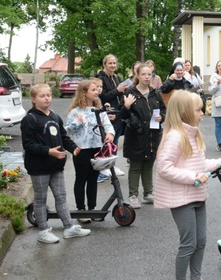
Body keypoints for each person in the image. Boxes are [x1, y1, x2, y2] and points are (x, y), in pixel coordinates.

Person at [154, 90, 221, 280]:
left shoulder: (194, 134)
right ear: (184, 112)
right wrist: (193, 178)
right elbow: (164, 168)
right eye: (198, 109)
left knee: (200, 241)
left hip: (197, 195)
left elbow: (199, 166)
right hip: (182, 198)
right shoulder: (174, 137)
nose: (202, 113)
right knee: (188, 243)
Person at [21, 84, 91, 243]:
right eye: (42, 96)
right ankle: (43, 231)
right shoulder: (30, 119)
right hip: (39, 167)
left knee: (61, 197)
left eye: (49, 95)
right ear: (33, 99)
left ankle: (69, 228)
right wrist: (48, 151)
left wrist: (73, 148)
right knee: (40, 199)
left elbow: (63, 137)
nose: (47, 98)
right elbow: (28, 145)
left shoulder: (54, 117)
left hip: (56, 166)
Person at [65, 80, 115, 217]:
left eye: (97, 89)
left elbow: (108, 125)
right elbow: (66, 132)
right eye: (93, 90)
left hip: (97, 148)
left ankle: (92, 209)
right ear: (84, 93)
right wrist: (76, 123)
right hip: (81, 150)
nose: (97, 91)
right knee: (81, 178)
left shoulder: (99, 111)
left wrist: (110, 134)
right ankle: (81, 209)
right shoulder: (75, 112)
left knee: (93, 179)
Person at [119, 63, 166, 209]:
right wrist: (126, 106)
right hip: (136, 135)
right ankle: (133, 195)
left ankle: (148, 193)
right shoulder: (130, 93)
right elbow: (122, 117)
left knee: (149, 164)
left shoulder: (155, 93)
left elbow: (163, 110)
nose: (147, 77)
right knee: (136, 165)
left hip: (152, 135)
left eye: (149, 74)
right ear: (137, 75)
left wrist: (161, 117)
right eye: (144, 74)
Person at [97, 54, 126, 156]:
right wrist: (117, 90)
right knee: (107, 143)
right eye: (110, 63)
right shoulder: (100, 79)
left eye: (114, 63)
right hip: (108, 115)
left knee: (115, 143)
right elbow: (102, 97)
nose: (113, 65)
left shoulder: (117, 77)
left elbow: (121, 96)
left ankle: (112, 166)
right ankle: (106, 167)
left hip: (118, 115)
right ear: (104, 64)